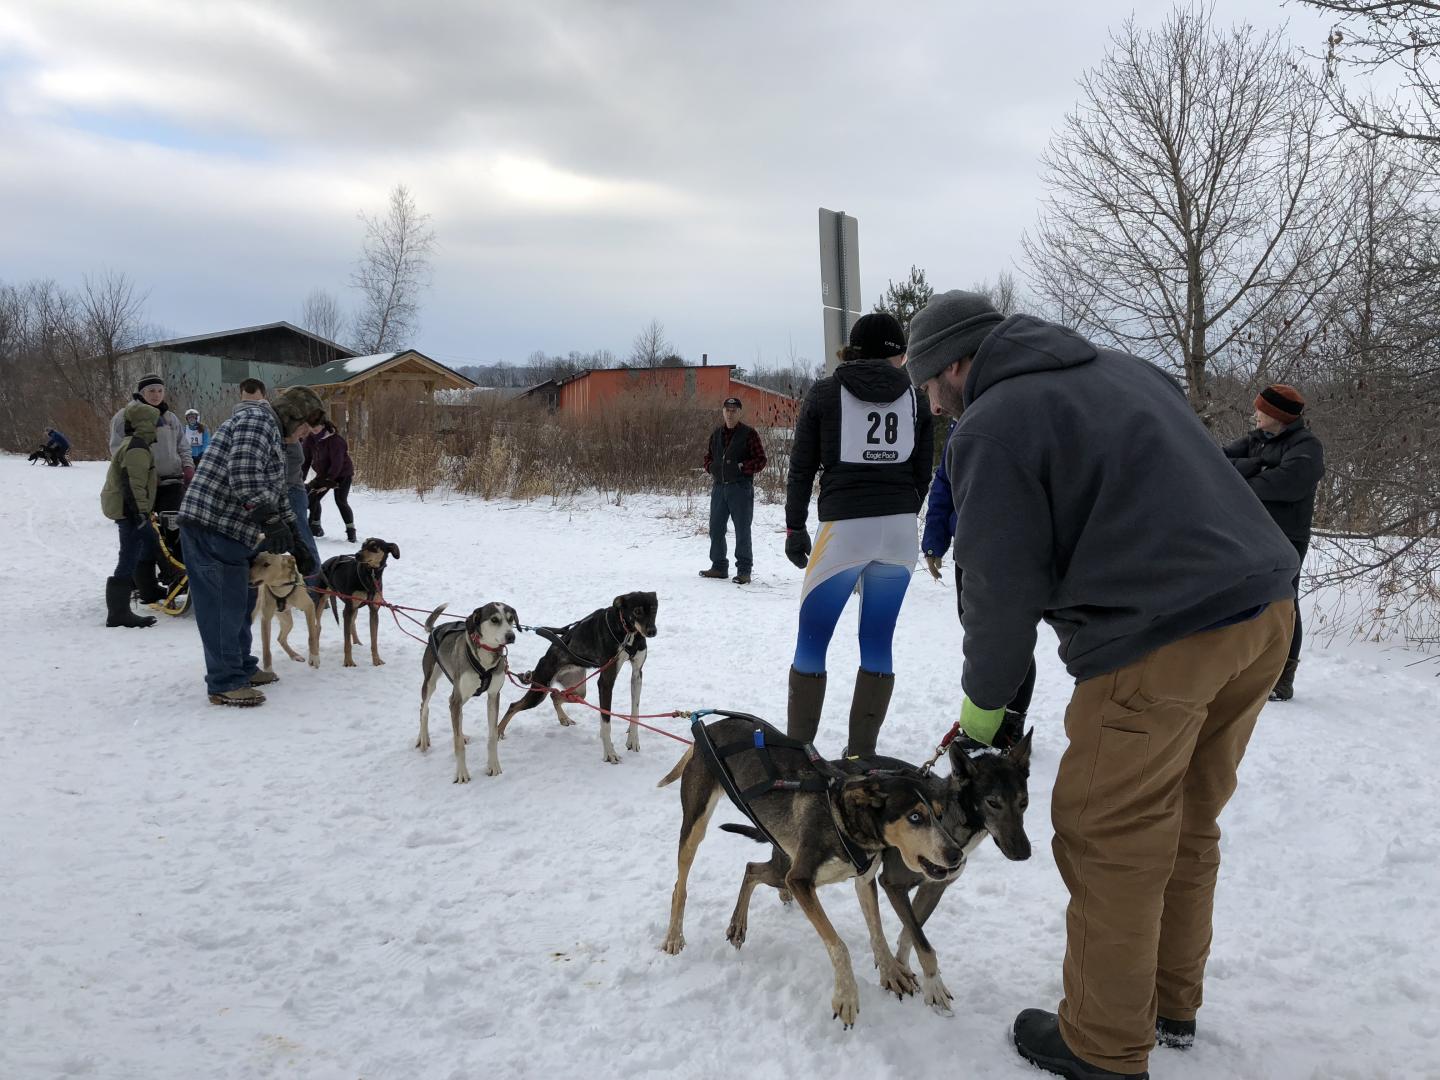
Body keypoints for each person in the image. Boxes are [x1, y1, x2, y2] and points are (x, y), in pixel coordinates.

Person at [906, 290, 1300, 1080]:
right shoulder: (1125, 369)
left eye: (925, 384)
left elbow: (999, 590)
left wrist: (981, 719)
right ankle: (1168, 1002)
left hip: (1161, 636)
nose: (930, 401)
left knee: (1108, 834)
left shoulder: (990, 424)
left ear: (952, 365)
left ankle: (1102, 1045)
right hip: (1264, 616)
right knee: (1186, 817)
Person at [782, 311, 933, 758]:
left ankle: (798, 753)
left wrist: (794, 526)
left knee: (812, 641)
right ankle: (860, 756)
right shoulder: (916, 397)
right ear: (899, 355)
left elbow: (802, 466)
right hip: (900, 529)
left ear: (853, 350)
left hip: (844, 527)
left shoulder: (827, 391)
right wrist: (901, 510)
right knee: (877, 640)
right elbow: (922, 472)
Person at [178, 387, 324, 707]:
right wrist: (269, 520)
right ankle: (225, 682)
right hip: (211, 526)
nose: (302, 437)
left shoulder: (272, 434)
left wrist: (295, 539)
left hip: (233, 531)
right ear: (292, 416)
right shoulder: (257, 421)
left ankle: (241, 666)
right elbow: (243, 472)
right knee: (222, 606)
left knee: (243, 602)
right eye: (302, 429)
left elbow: (276, 493)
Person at [921, 416, 1036, 748]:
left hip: (1011, 546)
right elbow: (944, 480)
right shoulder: (963, 421)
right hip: (969, 547)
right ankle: (987, 717)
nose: (937, 407)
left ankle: (1011, 720)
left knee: (1007, 635)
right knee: (978, 631)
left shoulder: (1011, 412)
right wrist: (934, 540)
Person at [1223, 384, 1324, 702]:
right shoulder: (1255, 441)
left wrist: (1245, 479)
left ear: (1276, 415)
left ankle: (1283, 678)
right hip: (1250, 532)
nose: (1255, 415)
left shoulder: (1307, 446)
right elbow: (1215, 462)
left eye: (1261, 410)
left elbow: (1285, 485)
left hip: (1286, 537)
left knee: (1283, 605)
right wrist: (1252, 466)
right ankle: (1243, 669)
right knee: (1242, 598)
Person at [110, 373, 190, 602]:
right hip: (142, 485)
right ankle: (144, 584)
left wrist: (187, 467)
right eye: (151, 391)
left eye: (159, 391)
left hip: (171, 482)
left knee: (173, 532)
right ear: (141, 393)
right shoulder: (126, 416)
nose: (155, 395)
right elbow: (118, 450)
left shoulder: (170, 418)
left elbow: (182, 445)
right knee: (144, 534)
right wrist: (142, 474)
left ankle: (176, 578)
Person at [99, 402, 161, 629]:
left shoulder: (134, 444)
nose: (158, 427)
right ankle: (118, 613)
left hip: (129, 510)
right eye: (155, 423)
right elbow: (133, 483)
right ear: (146, 424)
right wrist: (141, 514)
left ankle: (141, 595)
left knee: (138, 550)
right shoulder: (137, 447)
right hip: (130, 511)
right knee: (130, 555)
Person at [699, 397, 767, 584]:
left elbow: (761, 460)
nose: (730, 414)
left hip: (740, 488)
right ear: (722, 412)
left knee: (742, 530)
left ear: (740, 412)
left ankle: (744, 571)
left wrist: (741, 467)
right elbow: (708, 457)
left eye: (734, 411)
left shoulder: (749, 434)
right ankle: (719, 566)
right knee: (716, 529)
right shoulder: (716, 434)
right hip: (719, 488)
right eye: (727, 410)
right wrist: (710, 467)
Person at [303, 421, 356, 543]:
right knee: (312, 497)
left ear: (323, 425)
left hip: (342, 474)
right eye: (312, 426)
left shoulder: (335, 440)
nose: (314, 428)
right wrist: (300, 479)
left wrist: (329, 480)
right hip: (323, 474)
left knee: (341, 501)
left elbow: (337, 463)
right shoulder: (310, 440)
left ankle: (351, 532)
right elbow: (305, 461)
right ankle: (315, 527)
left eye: (316, 425)